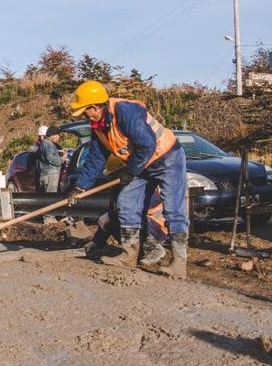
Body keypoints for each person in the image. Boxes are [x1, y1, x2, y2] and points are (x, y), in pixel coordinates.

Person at [70, 80, 189, 278]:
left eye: (84, 111)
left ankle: (179, 263)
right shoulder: (98, 126)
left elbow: (147, 144)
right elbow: (96, 158)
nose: (84, 116)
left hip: (167, 157)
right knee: (126, 202)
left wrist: (131, 170)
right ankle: (129, 256)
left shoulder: (124, 111)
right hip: (143, 164)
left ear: (95, 107)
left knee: (173, 208)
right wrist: (81, 187)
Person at [37, 126, 63, 193]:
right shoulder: (48, 144)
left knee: (45, 198)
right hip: (50, 177)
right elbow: (52, 159)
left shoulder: (44, 143)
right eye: (58, 136)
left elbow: (47, 155)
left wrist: (59, 151)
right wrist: (63, 158)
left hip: (45, 175)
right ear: (54, 135)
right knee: (51, 198)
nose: (58, 138)